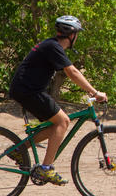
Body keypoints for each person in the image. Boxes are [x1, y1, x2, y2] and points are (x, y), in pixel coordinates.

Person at [7, 15, 107, 186]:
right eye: (77, 34)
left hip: (27, 90)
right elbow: (72, 72)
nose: (77, 38)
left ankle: (19, 150)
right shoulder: (53, 46)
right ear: (72, 34)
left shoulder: (52, 45)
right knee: (63, 121)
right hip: (28, 91)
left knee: (56, 126)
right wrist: (94, 92)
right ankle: (45, 168)